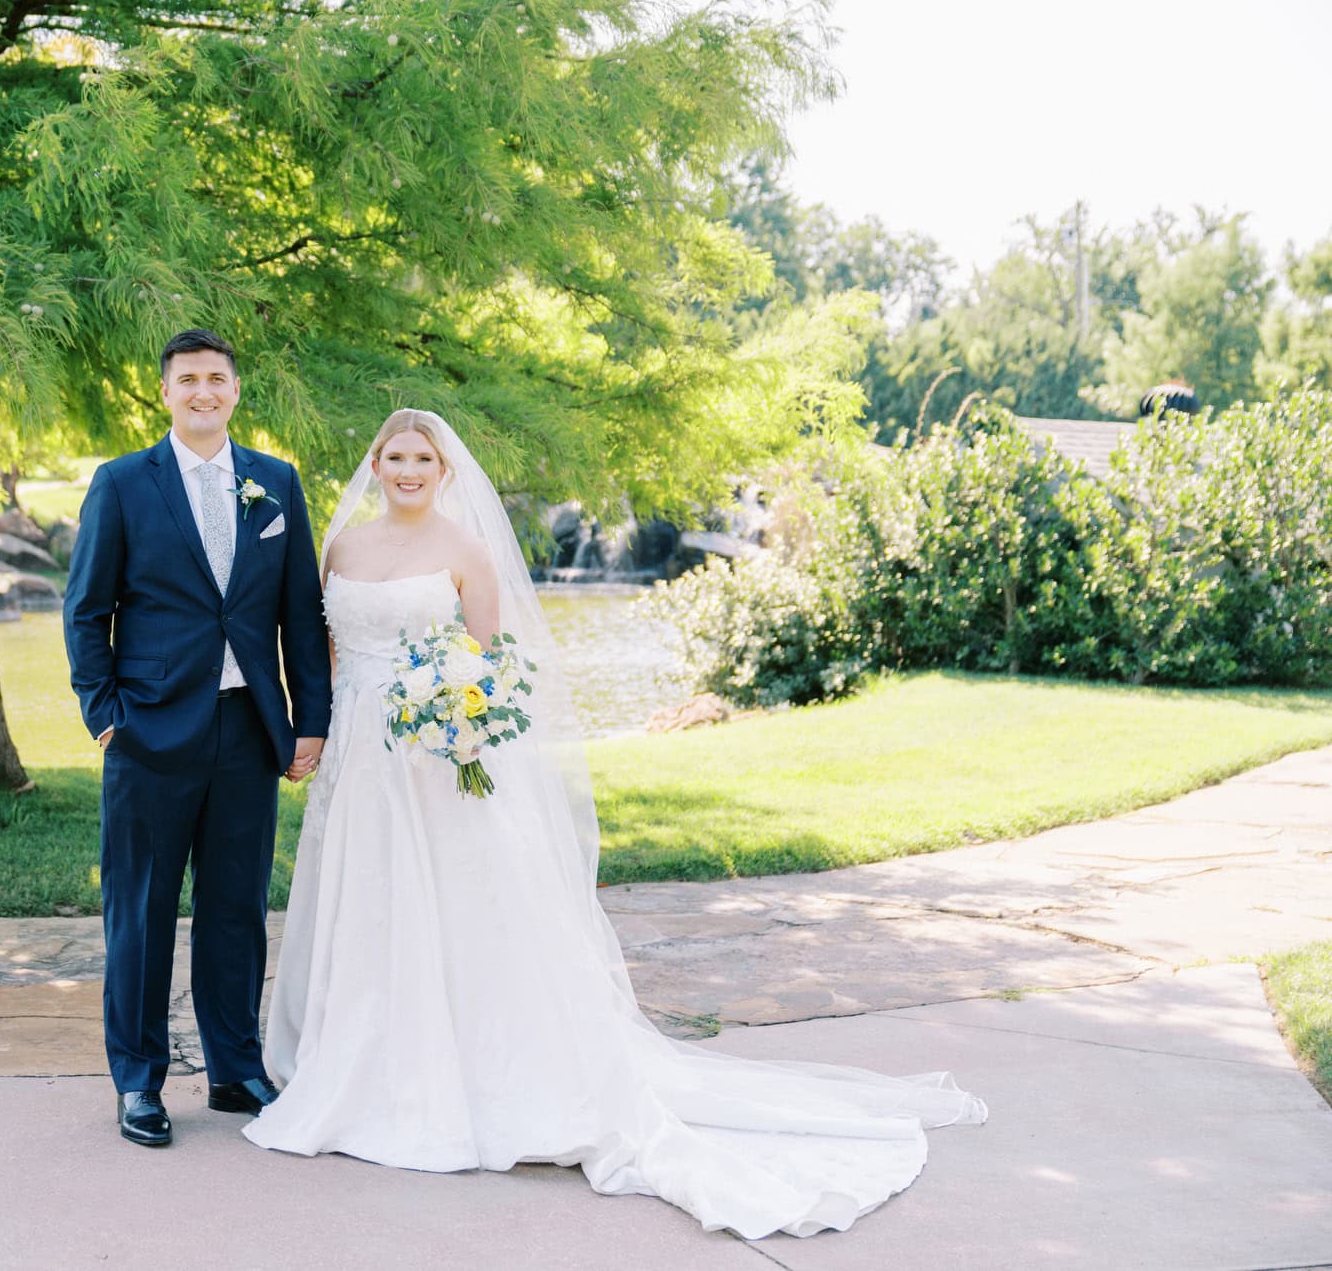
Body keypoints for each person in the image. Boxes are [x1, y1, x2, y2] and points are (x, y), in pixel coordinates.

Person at [241, 408, 988, 1239]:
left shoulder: (467, 553)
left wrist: (453, 722)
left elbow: (492, 669)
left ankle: (456, 1077)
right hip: (358, 756)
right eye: (395, 457)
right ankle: (362, 1065)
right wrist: (321, 734)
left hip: (433, 760)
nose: (409, 470)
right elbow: (330, 655)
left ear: (444, 471)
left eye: (424, 458)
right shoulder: (343, 548)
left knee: (449, 912)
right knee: (367, 903)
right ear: (375, 464)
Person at [62, 328, 332, 1148]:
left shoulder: (276, 484)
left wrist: (309, 722)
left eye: (217, 379)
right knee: (140, 913)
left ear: (236, 391)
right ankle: (139, 1082)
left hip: (249, 731)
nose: (203, 392)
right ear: (166, 393)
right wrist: (105, 715)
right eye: (188, 380)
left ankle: (234, 1069)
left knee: (236, 910)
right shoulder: (121, 484)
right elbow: (86, 609)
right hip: (149, 730)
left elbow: (299, 616)